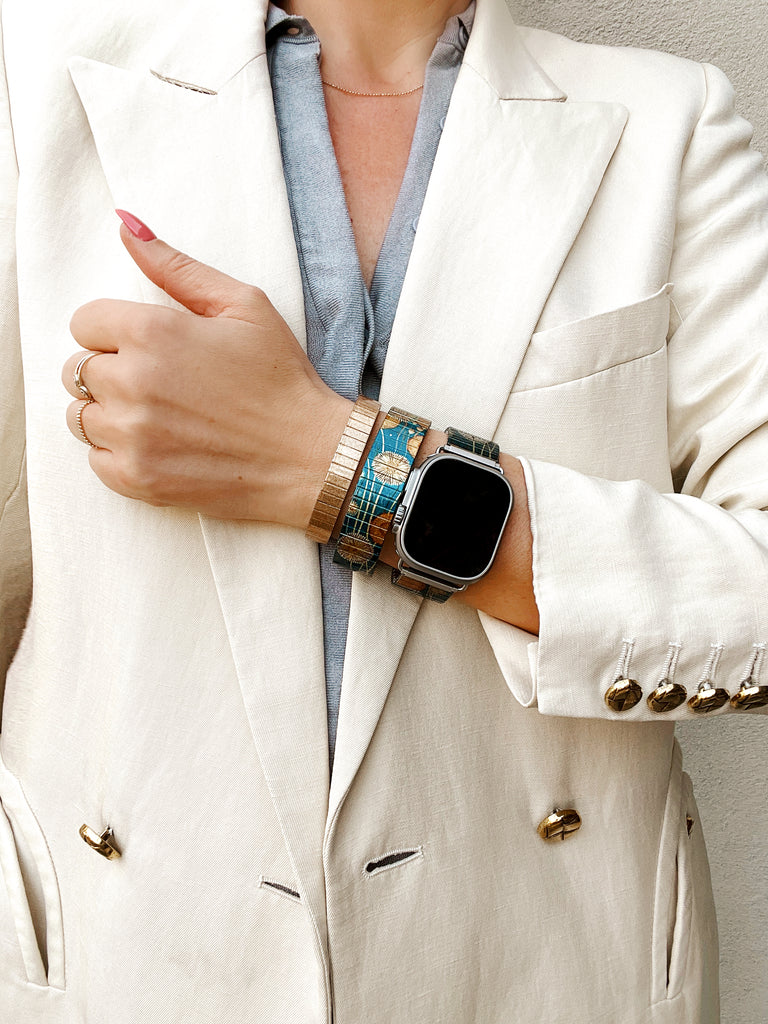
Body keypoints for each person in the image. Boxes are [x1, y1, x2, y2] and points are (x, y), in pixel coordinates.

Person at [0, 0, 766, 1020]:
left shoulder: (669, 124)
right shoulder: (33, 77)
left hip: (544, 963)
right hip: (123, 960)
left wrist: (336, 463)